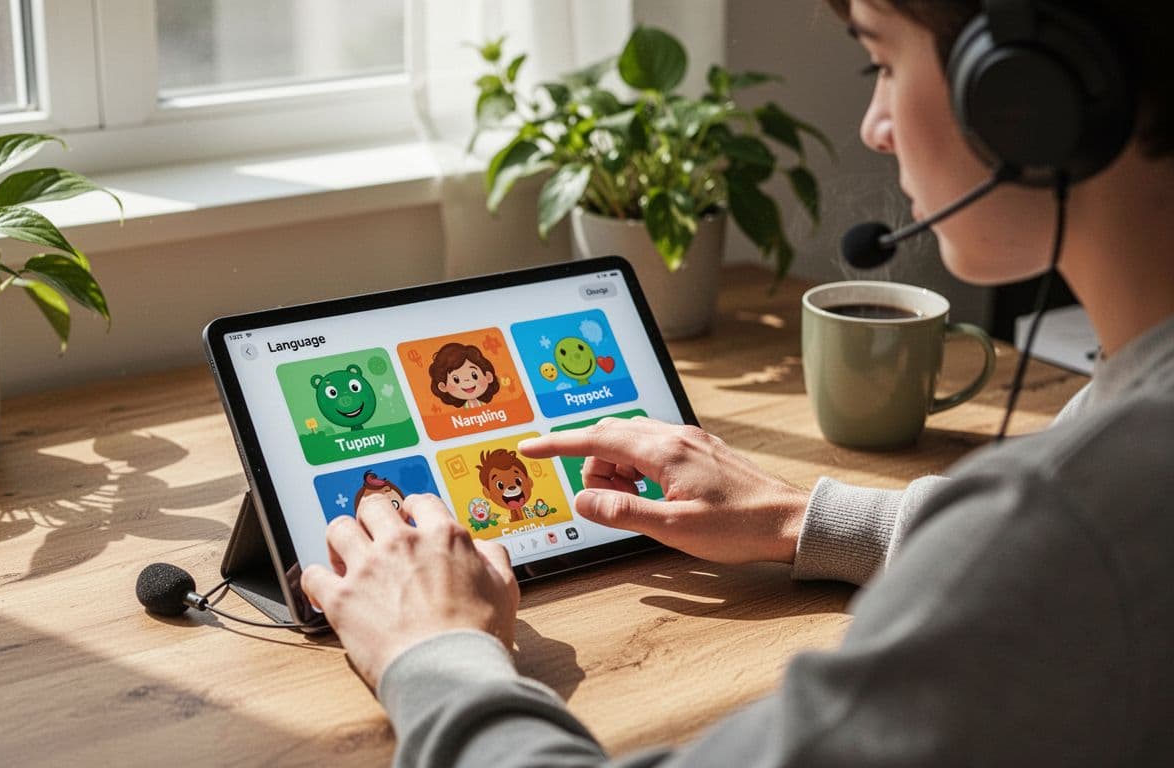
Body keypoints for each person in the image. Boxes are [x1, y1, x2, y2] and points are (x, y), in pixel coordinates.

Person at [299, 0, 1174, 764]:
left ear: (1028, 94)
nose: (875, 124)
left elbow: (1052, 565)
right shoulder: (1124, 427)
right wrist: (802, 519)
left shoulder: (1075, 518)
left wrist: (434, 651)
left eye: (881, 62)